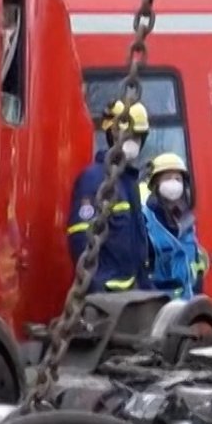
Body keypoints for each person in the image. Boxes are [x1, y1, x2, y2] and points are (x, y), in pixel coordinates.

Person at [66, 101, 152, 293]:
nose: (133, 142)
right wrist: (96, 286)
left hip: (133, 292)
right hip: (106, 295)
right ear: (112, 136)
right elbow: (81, 237)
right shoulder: (94, 179)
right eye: (129, 136)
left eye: (138, 137)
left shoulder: (129, 182)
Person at [141, 153, 206, 300]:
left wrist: (199, 284)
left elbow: (196, 260)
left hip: (189, 304)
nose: (174, 184)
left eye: (178, 179)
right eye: (167, 178)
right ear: (155, 184)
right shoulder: (145, 220)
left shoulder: (187, 220)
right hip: (160, 307)